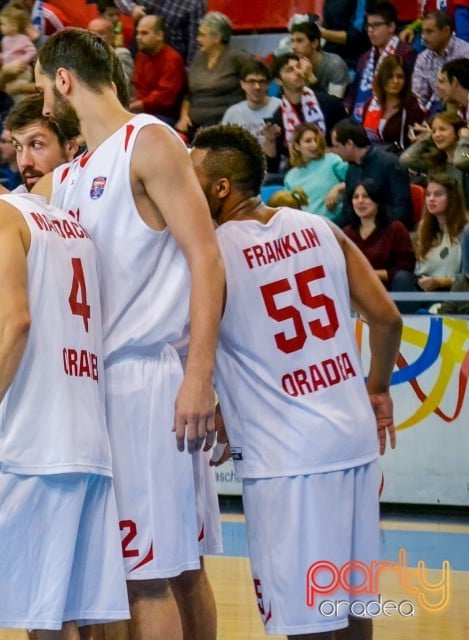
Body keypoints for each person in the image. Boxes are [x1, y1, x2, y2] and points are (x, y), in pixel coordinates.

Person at [36, 28, 224, 640]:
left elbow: (206, 259)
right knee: (110, 574)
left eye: (43, 88)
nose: (42, 104)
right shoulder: (69, 177)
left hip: (145, 380)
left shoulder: (148, 140)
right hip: (91, 386)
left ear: (63, 79)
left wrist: (199, 377)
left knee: (155, 572)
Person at [189, 123, 401, 640]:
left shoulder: (210, 253)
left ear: (221, 188)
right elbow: (388, 319)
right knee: (351, 606)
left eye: (191, 175)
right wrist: (377, 390)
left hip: (287, 458)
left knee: (304, 619)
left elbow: (198, 344)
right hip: (351, 440)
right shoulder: (319, 228)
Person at [0, 147, 129, 638]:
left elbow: (14, 321)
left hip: (21, 448)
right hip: (83, 448)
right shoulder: (63, 225)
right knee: (53, 620)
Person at [261, 53, 349, 176]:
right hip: (300, 175)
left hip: (333, 169)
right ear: (278, 81)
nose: (298, 72)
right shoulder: (278, 118)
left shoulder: (328, 103)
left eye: (298, 67)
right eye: (290, 70)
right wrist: (270, 142)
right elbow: (273, 168)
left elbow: (350, 142)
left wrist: (328, 151)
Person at [176, 12, 252, 134]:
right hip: (193, 125)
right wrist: (184, 117)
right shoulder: (198, 57)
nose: (197, 39)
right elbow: (189, 95)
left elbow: (253, 86)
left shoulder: (238, 58)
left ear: (217, 37)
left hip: (225, 125)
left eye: (202, 35)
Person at [393, 173, 469, 294]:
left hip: (451, 291)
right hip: (423, 288)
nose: (431, 199)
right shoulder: (424, 226)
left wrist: (440, 282)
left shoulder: (468, 228)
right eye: (428, 194)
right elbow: (418, 269)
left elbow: (468, 277)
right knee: (401, 278)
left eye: (438, 194)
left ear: (452, 198)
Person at [331, 118, 414, 227]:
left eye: (337, 146)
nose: (335, 151)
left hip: (388, 231)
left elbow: (402, 210)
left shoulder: (389, 164)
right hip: (362, 232)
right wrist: (325, 227)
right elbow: (347, 213)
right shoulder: (352, 169)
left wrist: (374, 227)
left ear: (349, 144)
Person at [342, 178, 416, 290]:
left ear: (378, 201)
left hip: (387, 291)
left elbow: (404, 270)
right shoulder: (347, 233)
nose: (360, 201)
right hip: (355, 292)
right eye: (356, 197)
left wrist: (371, 275)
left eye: (366, 196)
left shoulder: (395, 229)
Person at [351, 2, 417, 123]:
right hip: (359, 118)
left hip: (392, 119)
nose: (370, 30)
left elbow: (410, 92)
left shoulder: (405, 54)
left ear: (391, 26)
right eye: (368, 26)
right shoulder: (365, 57)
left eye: (376, 25)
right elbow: (353, 93)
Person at [3, 93, 79, 193]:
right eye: (18, 146)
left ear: (70, 147)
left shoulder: (92, 196)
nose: (24, 162)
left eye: (36, 145)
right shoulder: (16, 201)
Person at [402, 110, 469, 208]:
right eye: (434, 131)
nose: (437, 134)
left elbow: (461, 160)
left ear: (458, 132)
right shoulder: (434, 161)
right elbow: (406, 159)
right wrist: (427, 138)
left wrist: (464, 139)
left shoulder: (467, 156)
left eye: (442, 129)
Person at [283, 122, 348, 221]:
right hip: (307, 227)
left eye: (316, 140)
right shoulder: (290, 177)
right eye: (308, 141)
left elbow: (356, 180)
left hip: (336, 222)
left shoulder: (332, 161)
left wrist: (337, 188)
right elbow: (288, 209)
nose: (314, 144)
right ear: (297, 146)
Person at [360, 55, 425, 153]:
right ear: (382, 78)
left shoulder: (412, 107)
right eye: (390, 76)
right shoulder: (370, 104)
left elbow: (415, 144)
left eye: (400, 77)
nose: (395, 81)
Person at [131, 14, 186, 123]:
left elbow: (164, 97)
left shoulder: (172, 59)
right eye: (137, 33)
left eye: (144, 33)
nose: (138, 37)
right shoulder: (141, 55)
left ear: (159, 35)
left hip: (163, 116)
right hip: (141, 111)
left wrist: (134, 106)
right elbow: (137, 87)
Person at [412, 11, 469, 111]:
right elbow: (418, 97)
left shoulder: (467, 53)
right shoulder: (422, 58)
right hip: (436, 111)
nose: (424, 37)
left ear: (446, 31)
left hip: (465, 109)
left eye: (429, 31)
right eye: (423, 32)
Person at [220, 59, 281, 140]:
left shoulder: (279, 106)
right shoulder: (232, 113)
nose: (257, 87)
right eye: (251, 81)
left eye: (262, 81)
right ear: (242, 84)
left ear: (268, 85)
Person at [289, 20, 349, 98]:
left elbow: (335, 104)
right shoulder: (295, 64)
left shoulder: (335, 65)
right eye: (292, 41)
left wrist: (311, 78)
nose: (293, 46)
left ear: (314, 43)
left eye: (299, 41)